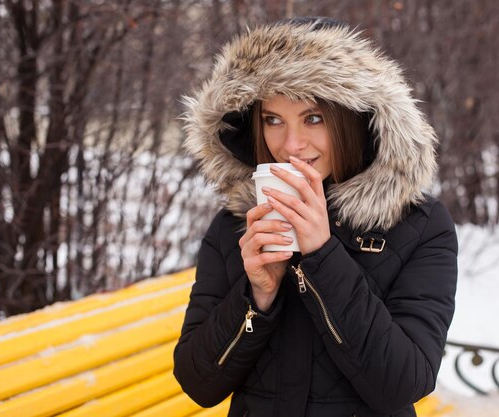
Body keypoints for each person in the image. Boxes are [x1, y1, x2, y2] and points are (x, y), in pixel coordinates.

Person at [173, 16, 458, 417]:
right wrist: (258, 297)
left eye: (313, 118)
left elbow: (405, 382)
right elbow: (199, 383)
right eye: (273, 120)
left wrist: (322, 256)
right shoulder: (236, 224)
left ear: (354, 119)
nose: (290, 145)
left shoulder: (418, 226)